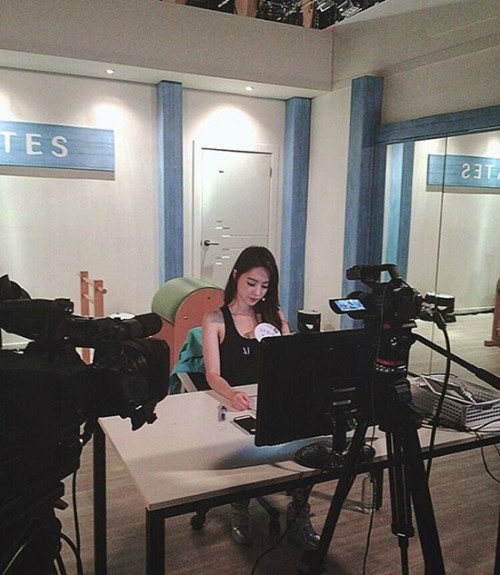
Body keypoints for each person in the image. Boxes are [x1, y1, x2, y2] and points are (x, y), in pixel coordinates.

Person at [202, 246, 319, 548]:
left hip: (272, 399)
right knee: (241, 443)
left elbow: (290, 363)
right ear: (236, 276)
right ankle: (239, 506)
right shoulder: (215, 320)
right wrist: (232, 393)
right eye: (251, 283)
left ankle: (299, 510)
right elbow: (212, 374)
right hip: (236, 403)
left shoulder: (274, 316)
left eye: (265, 286)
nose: (257, 293)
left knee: (308, 441)